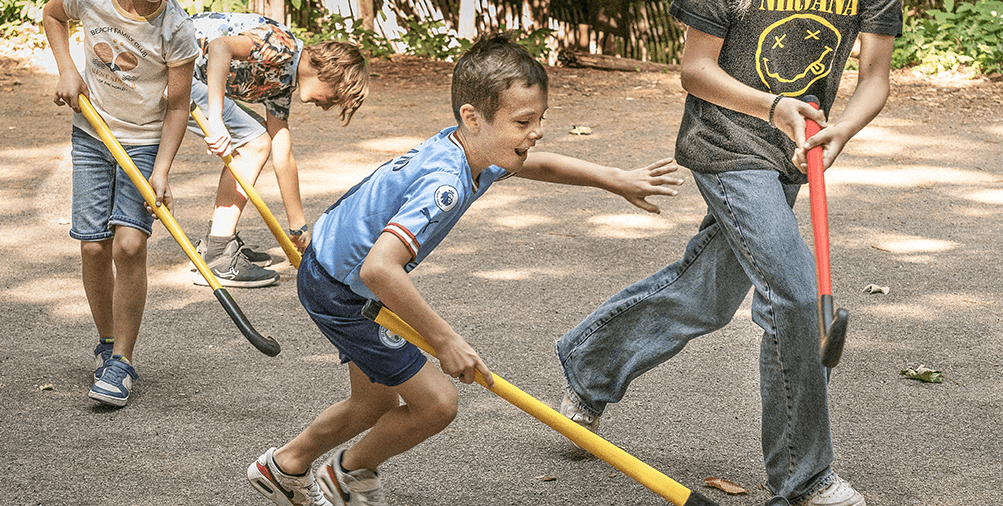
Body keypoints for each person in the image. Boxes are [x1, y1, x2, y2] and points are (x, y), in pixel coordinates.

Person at [554, 0, 908, 506]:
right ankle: (804, 479)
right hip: (727, 139)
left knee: (705, 296)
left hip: (791, 152)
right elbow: (695, 70)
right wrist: (773, 105)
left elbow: (874, 78)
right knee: (794, 295)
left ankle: (588, 367)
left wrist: (845, 126)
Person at [245, 33, 682, 506]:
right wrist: (444, 340)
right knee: (436, 404)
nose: (535, 132)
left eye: (539, 119)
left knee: (373, 402)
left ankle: (284, 467)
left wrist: (615, 179)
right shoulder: (445, 184)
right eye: (522, 121)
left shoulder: (473, 148)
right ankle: (346, 476)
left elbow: (541, 165)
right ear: (472, 117)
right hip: (343, 290)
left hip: (331, 267)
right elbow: (380, 269)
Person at [40, 0, 200, 408]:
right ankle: (106, 344)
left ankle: (123, 362)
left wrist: (164, 170)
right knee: (93, 246)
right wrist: (67, 70)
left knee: (129, 245)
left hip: (145, 142)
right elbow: (52, 14)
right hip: (92, 135)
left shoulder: (176, 29)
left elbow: (178, 108)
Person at [185, 11, 367, 288]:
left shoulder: (283, 84)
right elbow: (220, 46)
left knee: (259, 138)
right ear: (328, 72)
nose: (328, 105)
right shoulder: (283, 47)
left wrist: (299, 229)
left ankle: (217, 241)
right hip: (170, 67)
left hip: (185, 75)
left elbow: (283, 155)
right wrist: (217, 119)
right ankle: (218, 254)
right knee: (254, 142)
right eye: (335, 96)